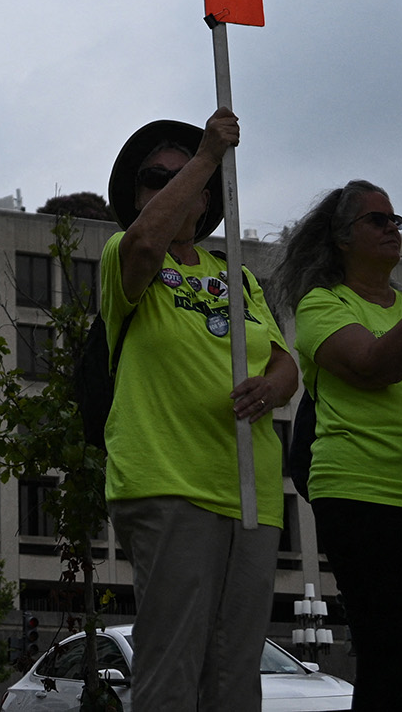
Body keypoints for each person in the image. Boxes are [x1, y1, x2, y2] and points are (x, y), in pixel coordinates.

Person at [97, 111, 297, 712]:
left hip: (249, 489)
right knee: (172, 662)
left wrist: (271, 387)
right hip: (168, 482)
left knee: (236, 670)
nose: (168, 186)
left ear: (207, 199)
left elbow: (286, 362)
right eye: (154, 179)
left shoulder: (237, 276)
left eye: (181, 177)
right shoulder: (124, 255)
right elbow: (144, 242)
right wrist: (207, 154)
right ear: (136, 195)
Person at [267, 180, 402, 712]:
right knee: (391, 659)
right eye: (377, 220)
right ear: (342, 238)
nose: (393, 228)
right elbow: (374, 367)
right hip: (371, 498)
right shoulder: (324, 305)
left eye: (396, 220)